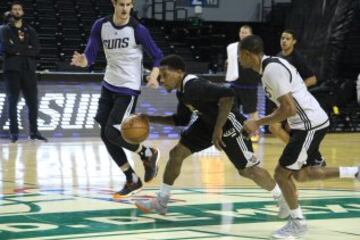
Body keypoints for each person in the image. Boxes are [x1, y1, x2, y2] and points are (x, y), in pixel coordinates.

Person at [134, 54, 288, 217]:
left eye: (165, 75)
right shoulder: (183, 92)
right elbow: (181, 119)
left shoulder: (194, 85)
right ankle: (161, 202)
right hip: (208, 124)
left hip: (229, 124)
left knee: (248, 171)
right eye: (160, 76)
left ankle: (283, 199)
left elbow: (228, 96)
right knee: (176, 154)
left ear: (179, 72)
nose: (162, 80)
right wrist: (148, 119)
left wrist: (218, 129)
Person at [239, 35, 360, 239]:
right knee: (302, 175)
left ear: (247, 54)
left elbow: (289, 107)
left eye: (239, 56)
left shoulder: (271, 70)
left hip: (309, 124)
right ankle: (355, 172)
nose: (239, 60)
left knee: (281, 174)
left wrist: (257, 123)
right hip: (308, 123)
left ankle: (297, 223)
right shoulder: (271, 66)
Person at [70, 0, 163, 197]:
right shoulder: (101, 25)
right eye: (121, 4)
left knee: (112, 132)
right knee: (105, 134)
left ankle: (148, 153)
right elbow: (90, 54)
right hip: (108, 84)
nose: (125, 9)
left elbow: (157, 55)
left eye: (128, 5)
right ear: (114, 3)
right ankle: (132, 178)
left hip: (128, 88)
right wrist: (83, 61)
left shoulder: (138, 29)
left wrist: (154, 75)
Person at [2, 2, 47, 143]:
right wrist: (25, 49)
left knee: (33, 102)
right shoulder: (4, 29)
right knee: (12, 102)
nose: (17, 11)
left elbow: (36, 49)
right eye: (14, 9)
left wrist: (17, 49)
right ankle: (14, 133)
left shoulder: (30, 30)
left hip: (28, 70)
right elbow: (6, 47)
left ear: (22, 12)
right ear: (10, 12)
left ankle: (34, 132)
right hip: (12, 70)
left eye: (19, 9)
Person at [269, 29, 318, 145]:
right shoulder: (278, 57)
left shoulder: (297, 58)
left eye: (287, 39)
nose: (284, 41)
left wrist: (297, 89)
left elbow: (312, 79)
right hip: (282, 100)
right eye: (282, 38)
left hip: (295, 101)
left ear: (294, 41)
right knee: (274, 127)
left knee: (283, 127)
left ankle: (297, 152)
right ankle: (296, 152)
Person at [225, 25, 261, 142]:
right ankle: (236, 130)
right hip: (235, 85)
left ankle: (256, 132)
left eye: (245, 32)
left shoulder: (255, 47)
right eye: (241, 32)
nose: (243, 34)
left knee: (252, 110)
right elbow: (230, 63)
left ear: (250, 35)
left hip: (249, 85)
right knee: (232, 109)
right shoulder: (234, 47)